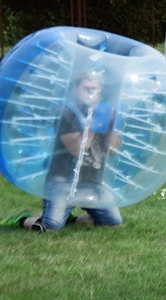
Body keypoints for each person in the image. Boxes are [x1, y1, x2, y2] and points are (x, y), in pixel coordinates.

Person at [3, 71, 125, 232]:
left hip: (91, 183)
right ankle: (22, 219)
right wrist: (93, 125)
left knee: (113, 223)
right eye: (87, 89)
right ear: (76, 90)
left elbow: (112, 151)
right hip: (62, 182)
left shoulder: (103, 113)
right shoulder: (67, 114)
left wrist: (109, 127)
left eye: (95, 89)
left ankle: (70, 218)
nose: (91, 93)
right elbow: (76, 149)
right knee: (51, 227)